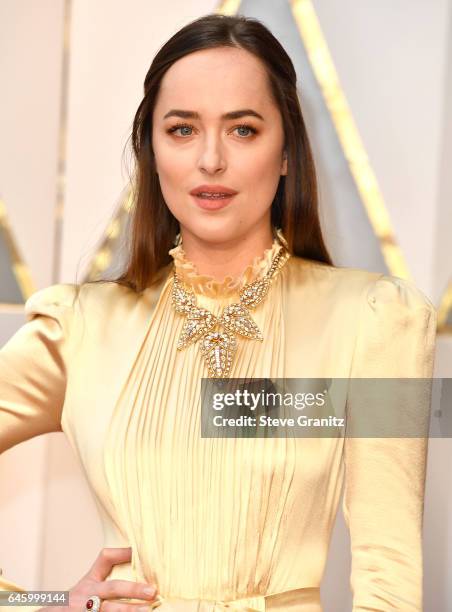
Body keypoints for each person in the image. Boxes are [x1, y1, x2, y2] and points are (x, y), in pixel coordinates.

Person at [0, 12, 437, 612]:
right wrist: (42, 602)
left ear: (286, 153)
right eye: (181, 130)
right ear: (150, 152)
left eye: (243, 130)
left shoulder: (373, 320)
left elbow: (390, 577)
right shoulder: (79, 328)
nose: (210, 160)